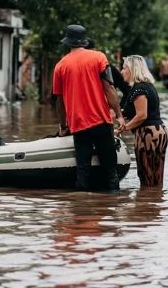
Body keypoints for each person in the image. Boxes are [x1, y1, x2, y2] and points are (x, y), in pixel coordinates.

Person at [53, 24, 125, 191]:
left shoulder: (60, 66)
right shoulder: (99, 58)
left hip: (79, 125)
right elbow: (109, 88)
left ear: (68, 42)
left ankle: (82, 211)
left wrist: (63, 126)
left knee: (83, 171)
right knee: (111, 171)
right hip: (102, 122)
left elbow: (59, 101)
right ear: (84, 41)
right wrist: (120, 115)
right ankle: (112, 208)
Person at [117, 55, 168, 188]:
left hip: (147, 134)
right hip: (159, 131)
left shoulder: (139, 88)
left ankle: (146, 206)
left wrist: (124, 128)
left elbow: (141, 115)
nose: (122, 71)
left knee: (146, 176)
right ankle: (156, 204)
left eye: (124, 68)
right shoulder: (147, 86)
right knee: (157, 176)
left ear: (133, 69)